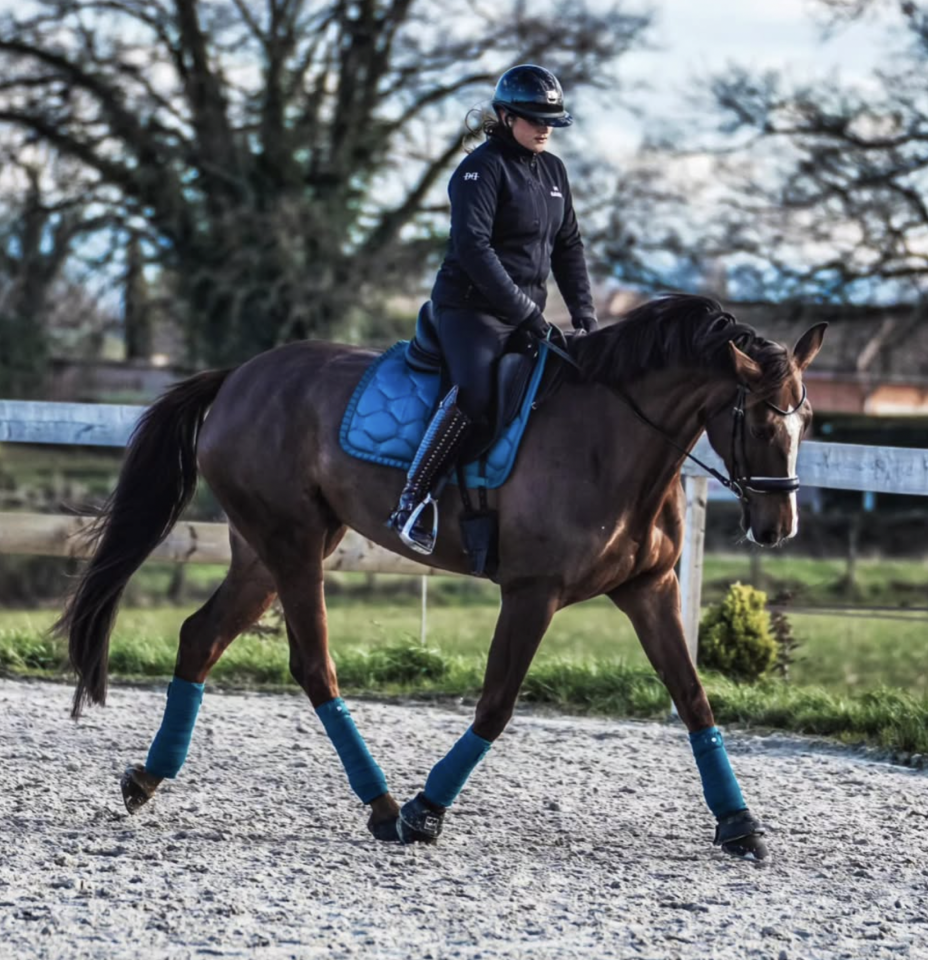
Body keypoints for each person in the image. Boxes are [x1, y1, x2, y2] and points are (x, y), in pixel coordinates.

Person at [388, 64, 599, 554]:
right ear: (505, 117)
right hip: (470, 310)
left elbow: (569, 248)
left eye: (551, 120)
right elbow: (475, 250)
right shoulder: (479, 170)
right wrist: (528, 314)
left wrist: (587, 320)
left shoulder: (554, 171)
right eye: (533, 118)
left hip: (528, 312)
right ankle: (413, 501)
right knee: (478, 395)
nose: (544, 128)